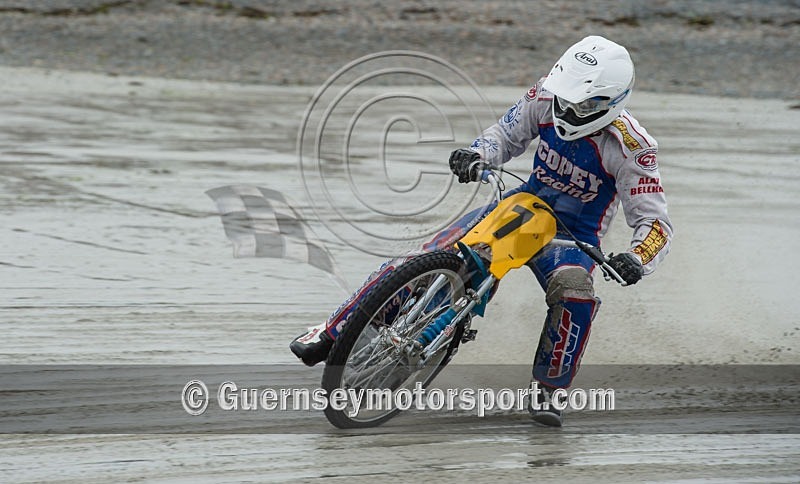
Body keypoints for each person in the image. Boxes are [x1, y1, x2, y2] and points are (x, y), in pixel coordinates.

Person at [290, 35, 673, 427]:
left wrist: (636, 259)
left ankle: (548, 391)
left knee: (576, 296)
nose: (569, 110)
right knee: (424, 257)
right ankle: (333, 330)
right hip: (519, 207)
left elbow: (656, 223)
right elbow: (505, 136)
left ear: (611, 102)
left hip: (573, 238)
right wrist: (475, 154)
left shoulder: (633, 149)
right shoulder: (545, 95)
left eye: (584, 105)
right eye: (566, 98)